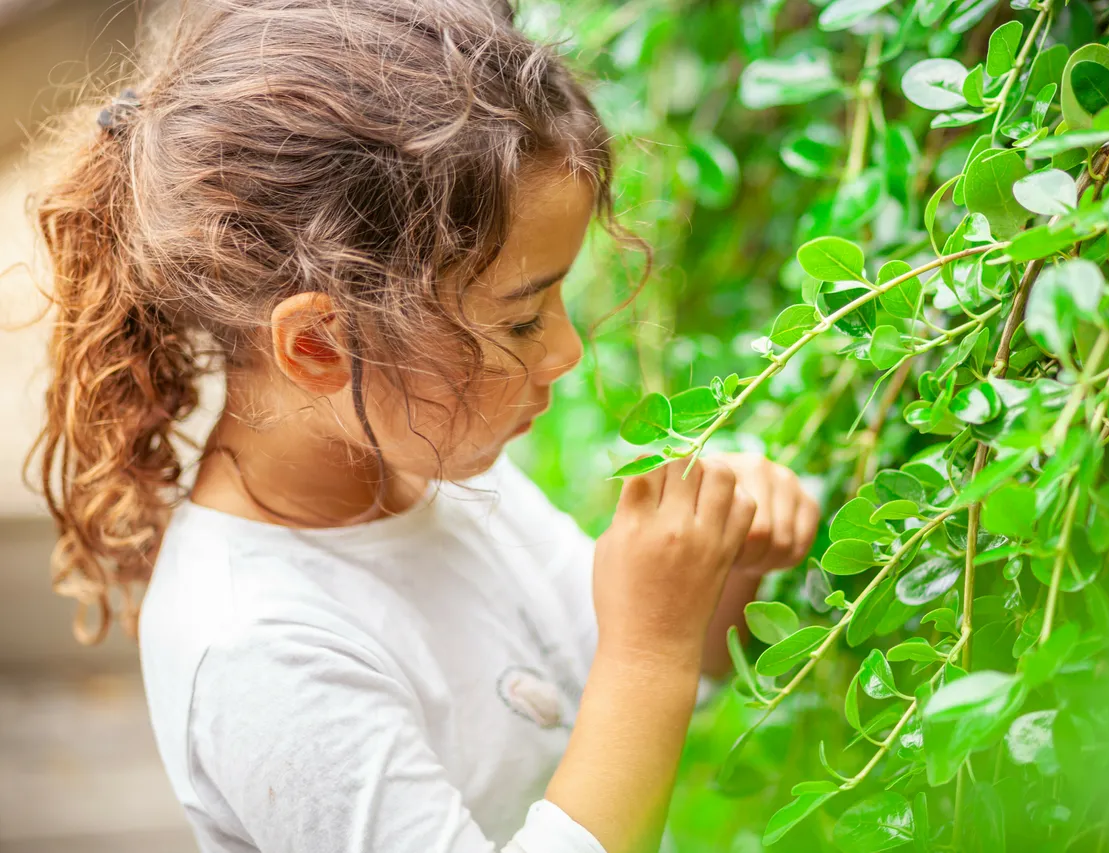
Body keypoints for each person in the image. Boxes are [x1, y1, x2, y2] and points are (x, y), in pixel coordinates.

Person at [29, 1, 820, 851]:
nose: (568, 351)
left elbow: (616, 718)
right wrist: (650, 649)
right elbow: (635, 674)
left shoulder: (427, 461)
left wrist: (714, 577)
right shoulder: (261, 649)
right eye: (521, 320)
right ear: (320, 344)